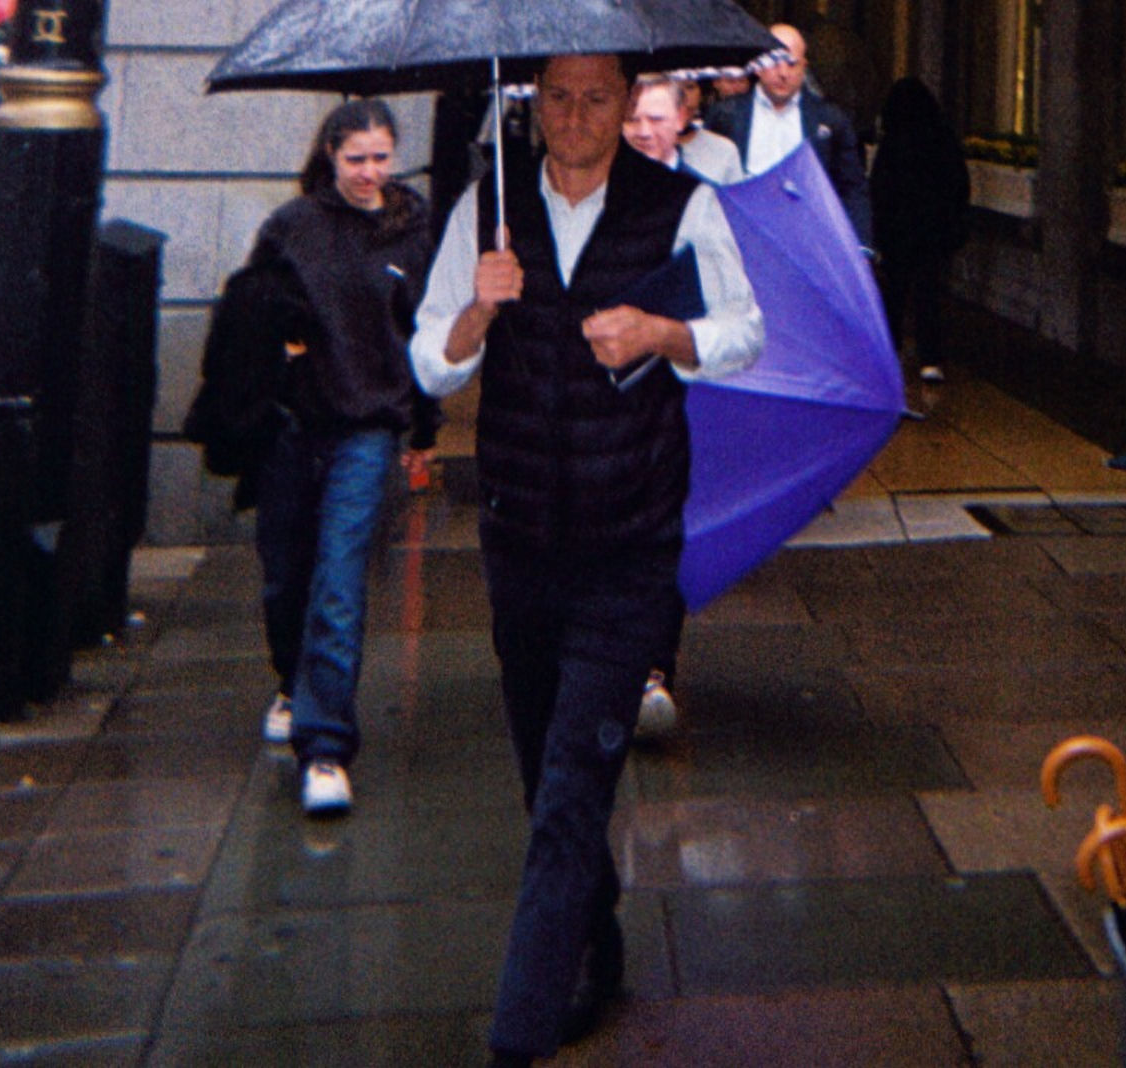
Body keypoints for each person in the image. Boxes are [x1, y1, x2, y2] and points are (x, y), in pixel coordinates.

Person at [411, 51, 763, 1065]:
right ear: (533, 106)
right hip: (520, 536)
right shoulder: (491, 208)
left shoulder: (681, 204)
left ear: (629, 105)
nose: (574, 116)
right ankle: (595, 940)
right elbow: (429, 359)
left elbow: (744, 330)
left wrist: (662, 331)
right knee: (545, 772)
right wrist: (481, 306)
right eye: (556, 97)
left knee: (573, 777)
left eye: (596, 97)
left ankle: (521, 1022)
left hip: (628, 541)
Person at [246, 97, 434, 816]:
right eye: (356, 159)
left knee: (340, 579)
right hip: (294, 425)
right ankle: (292, 684)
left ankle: (325, 748)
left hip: (369, 425)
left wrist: (423, 427)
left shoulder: (411, 229)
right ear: (330, 155)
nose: (369, 173)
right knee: (285, 576)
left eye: (382, 158)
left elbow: (422, 331)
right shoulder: (292, 227)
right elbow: (249, 315)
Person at [619, 73, 742, 744]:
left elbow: (735, 300)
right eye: (633, 117)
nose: (643, 129)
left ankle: (652, 667)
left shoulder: (704, 201)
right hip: (607, 391)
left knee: (660, 528)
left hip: (679, 387)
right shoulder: (594, 192)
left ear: (681, 123)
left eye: (655, 117)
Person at [710, 21, 872, 245]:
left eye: (792, 64)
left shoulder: (829, 120)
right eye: (774, 63)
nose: (783, 73)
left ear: (804, 66)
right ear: (758, 65)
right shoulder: (726, 116)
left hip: (807, 240)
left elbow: (852, 188)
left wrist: (860, 247)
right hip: (742, 238)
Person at [869, 76, 969, 384]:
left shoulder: (892, 142)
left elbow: (879, 189)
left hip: (899, 232)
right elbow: (959, 185)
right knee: (930, 295)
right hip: (932, 232)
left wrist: (880, 233)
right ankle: (930, 358)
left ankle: (891, 350)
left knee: (894, 293)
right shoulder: (943, 138)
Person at [630, 74, 743, 185]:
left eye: (689, 87)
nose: (682, 96)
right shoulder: (631, 147)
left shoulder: (724, 150)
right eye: (672, 87)